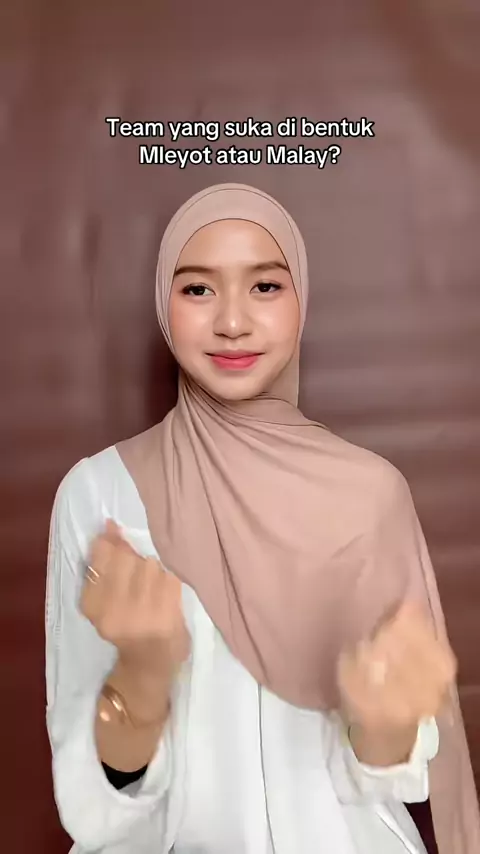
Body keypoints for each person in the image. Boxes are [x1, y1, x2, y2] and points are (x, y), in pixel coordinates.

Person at [45, 183, 479, 854]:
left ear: (301, 298)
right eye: (198, 289)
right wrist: (142, 676)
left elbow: (391, 774)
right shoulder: (101, 495)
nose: (232, 322)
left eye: (266, 287)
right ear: (164, 303)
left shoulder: (370, 494)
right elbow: (92, 808)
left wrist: (385, 722)